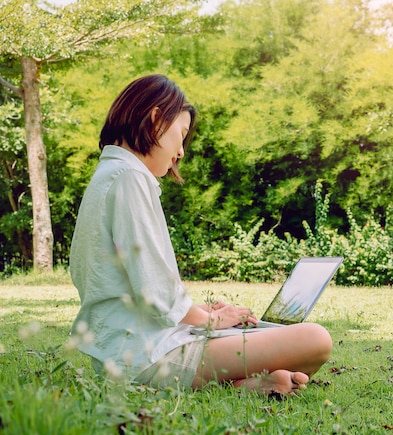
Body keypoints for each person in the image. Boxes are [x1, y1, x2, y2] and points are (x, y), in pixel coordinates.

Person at [69, 74, 332, 396]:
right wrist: (213, 321)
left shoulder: (111, 175)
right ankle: (240, 380)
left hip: (136, 347)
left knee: (280, 340)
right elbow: (155, 293)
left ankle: (247, 385)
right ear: (154, 119)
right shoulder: (128, 178)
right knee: (315, 339)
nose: (180, 152)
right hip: (146, 356)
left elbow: (136, 286)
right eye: (180, 136)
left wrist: (202, 313)